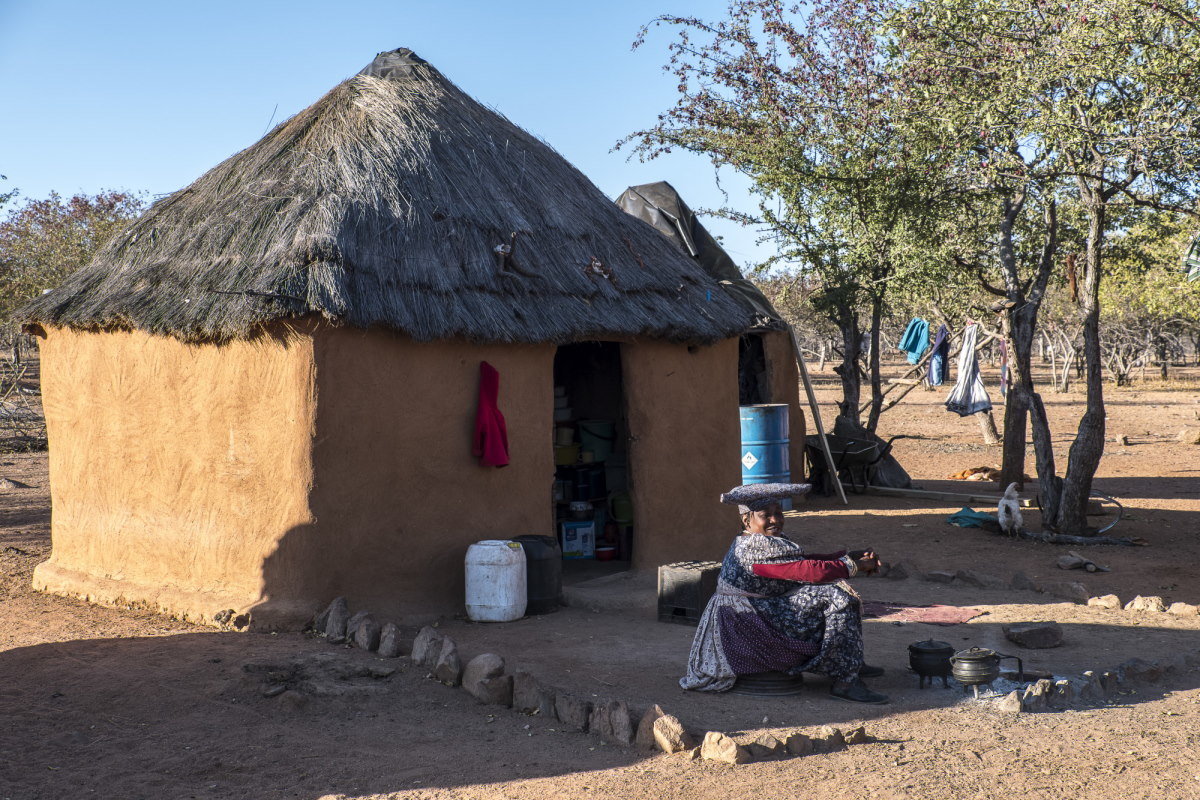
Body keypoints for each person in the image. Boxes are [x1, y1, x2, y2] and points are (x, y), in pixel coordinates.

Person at [680, 482, 889, 704]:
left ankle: (850, 661)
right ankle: (845, 681)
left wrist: (845, 556)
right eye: (766, 515)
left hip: (758, 609)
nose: (775, 520)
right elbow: (807, 572)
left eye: (778, 513)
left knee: (833, 593)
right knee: (839, 599)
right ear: (746, 520)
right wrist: (852, 565)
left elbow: (801, 561)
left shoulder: (761, 540)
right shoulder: (754, 549)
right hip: (745, 620)